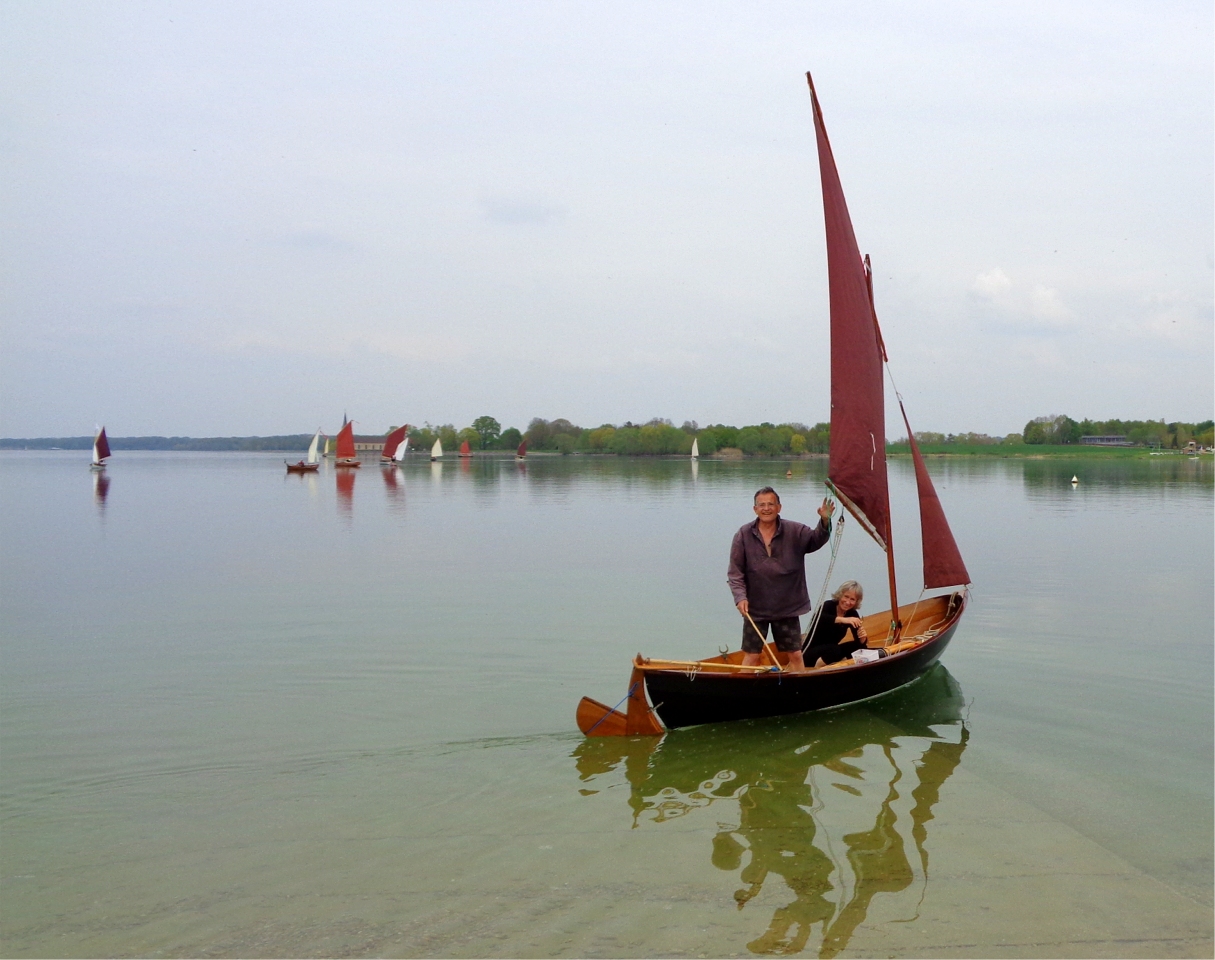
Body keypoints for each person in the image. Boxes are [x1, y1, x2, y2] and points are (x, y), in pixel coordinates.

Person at [728, 487, 835, 671]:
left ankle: (799, 691)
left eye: (771, 504)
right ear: (755, 509)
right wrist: (740, 597)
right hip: (755, 608)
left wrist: (825, 520)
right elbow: (735, 573)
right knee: (752, 655)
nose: (766, 508)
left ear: (779, 507)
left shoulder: (795, 530)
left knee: (795, 654)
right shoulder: (743, 534)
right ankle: (743, 694)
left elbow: (815, 540)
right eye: (762, 505)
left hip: (787, 607)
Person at [804, 580, 869, 667]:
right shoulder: (828, 605)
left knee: (858, 648)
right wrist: (843, 620)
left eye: (852, 599)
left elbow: (859, 642)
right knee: (834, 649)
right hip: (809, 653)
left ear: (856, 602)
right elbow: (819, 619)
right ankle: (817, 669)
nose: (848, 602)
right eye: (846, 597)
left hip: (831, 651)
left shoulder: (852, 614)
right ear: (840, 595)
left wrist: (862, 639)